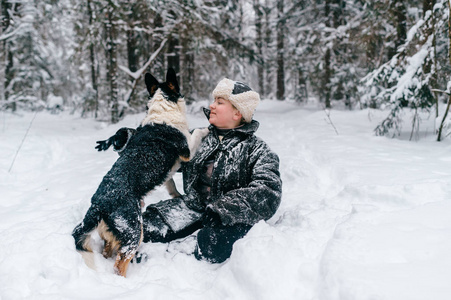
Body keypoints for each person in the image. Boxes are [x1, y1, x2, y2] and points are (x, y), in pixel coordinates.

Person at [140, 78, 282, 263]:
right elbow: (163, 153)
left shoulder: (258, 150)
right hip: (192, 207)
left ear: (237, 112)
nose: (211, 105)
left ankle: (180, 256)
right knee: (143, 226)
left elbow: (268, 191)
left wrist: (223, 208)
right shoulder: (197, 137)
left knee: (212, 243)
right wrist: (132, 141)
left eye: (219, 102)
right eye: (214, 100)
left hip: (229, 218)